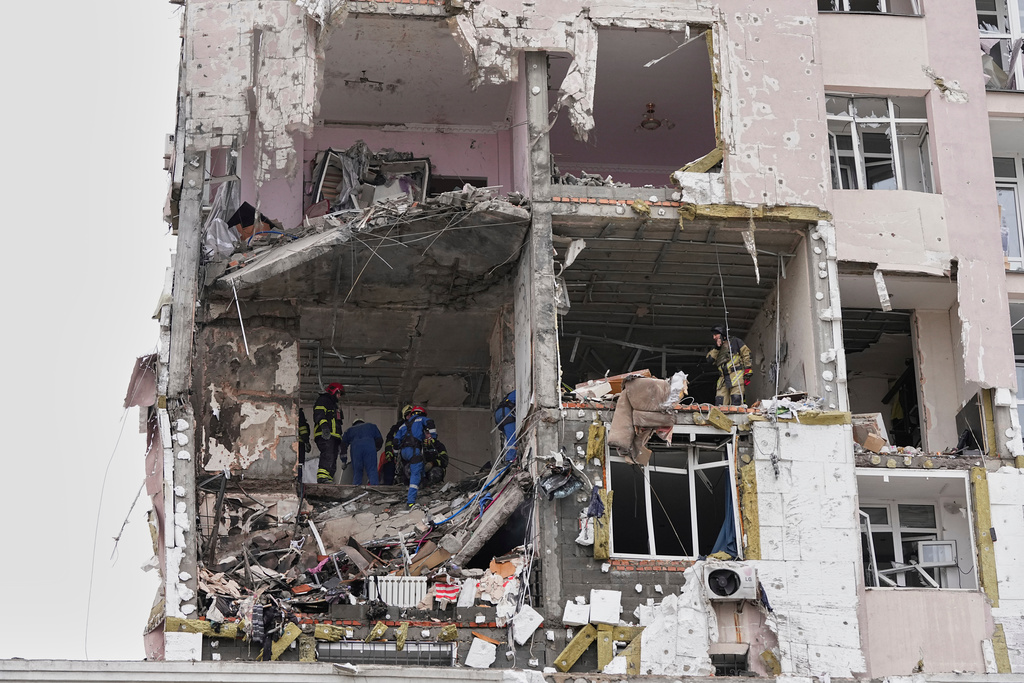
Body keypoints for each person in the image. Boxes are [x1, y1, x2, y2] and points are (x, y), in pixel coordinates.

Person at [393, 405, 438, 506]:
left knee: (419, 466)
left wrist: (396, 455)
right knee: (415, 475)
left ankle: (422, 485)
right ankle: (410, 502)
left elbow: (395, 441)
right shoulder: (421, 419)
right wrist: (433, 437)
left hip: (404, 453)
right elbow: (430, 422)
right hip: (414, 451)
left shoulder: (403, 425)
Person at [706, 325, 752, 406]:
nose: (714, 337)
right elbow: (710, 360)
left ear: (721, 334)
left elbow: (746, 354)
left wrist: (748, 369)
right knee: (720, 403)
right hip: (722, 379)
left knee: (736, 401)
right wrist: (717, 347)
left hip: (736, 376)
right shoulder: (716, 349)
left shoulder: (735, 341)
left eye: (715, 335)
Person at [313, 383, 345, 483]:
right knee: (328, 455)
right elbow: (319, 414)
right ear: (334, 390)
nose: (339, 396)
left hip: (334, 436)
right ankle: (322, 478)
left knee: (333, 457)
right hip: (326, 434)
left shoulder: (334, 405)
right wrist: (324, 428)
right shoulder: (323, 400)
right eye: (339, 393)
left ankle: (329, 479)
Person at [341, 419, 384, 486]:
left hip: (356, 449)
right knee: (372, 470)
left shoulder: (349, 430)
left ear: (354, 424)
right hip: (369, 447)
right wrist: (375, 449)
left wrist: (344, 461)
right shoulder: (371, 426)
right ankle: (375, 488)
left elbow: (343, 445)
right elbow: (379, 440)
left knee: (357, 471)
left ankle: (356, 489)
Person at [379, 406, 411, 485]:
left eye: (412, 414)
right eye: (408, 415)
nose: (410, 417)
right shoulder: (397, 428)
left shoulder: (417, 427)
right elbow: (389, 440)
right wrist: (389, 451)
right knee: (388, 468)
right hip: (396, 454)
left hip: (409, 455)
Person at [297, 408, 310, 482]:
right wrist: (306, 441)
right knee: (300, 464)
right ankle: (299, 479)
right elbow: (303, 428)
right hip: (299, 444)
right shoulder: (299, 413)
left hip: (289, 445)